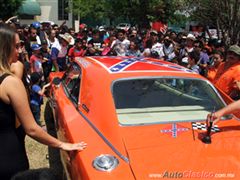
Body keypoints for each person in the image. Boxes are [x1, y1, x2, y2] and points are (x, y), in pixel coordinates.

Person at [0, 24, 86, 179]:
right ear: (4, 47)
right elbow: (31, 129)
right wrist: (62, 144)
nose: (21, 51)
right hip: (9, 161)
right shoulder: (10, 83)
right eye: (17, 46)